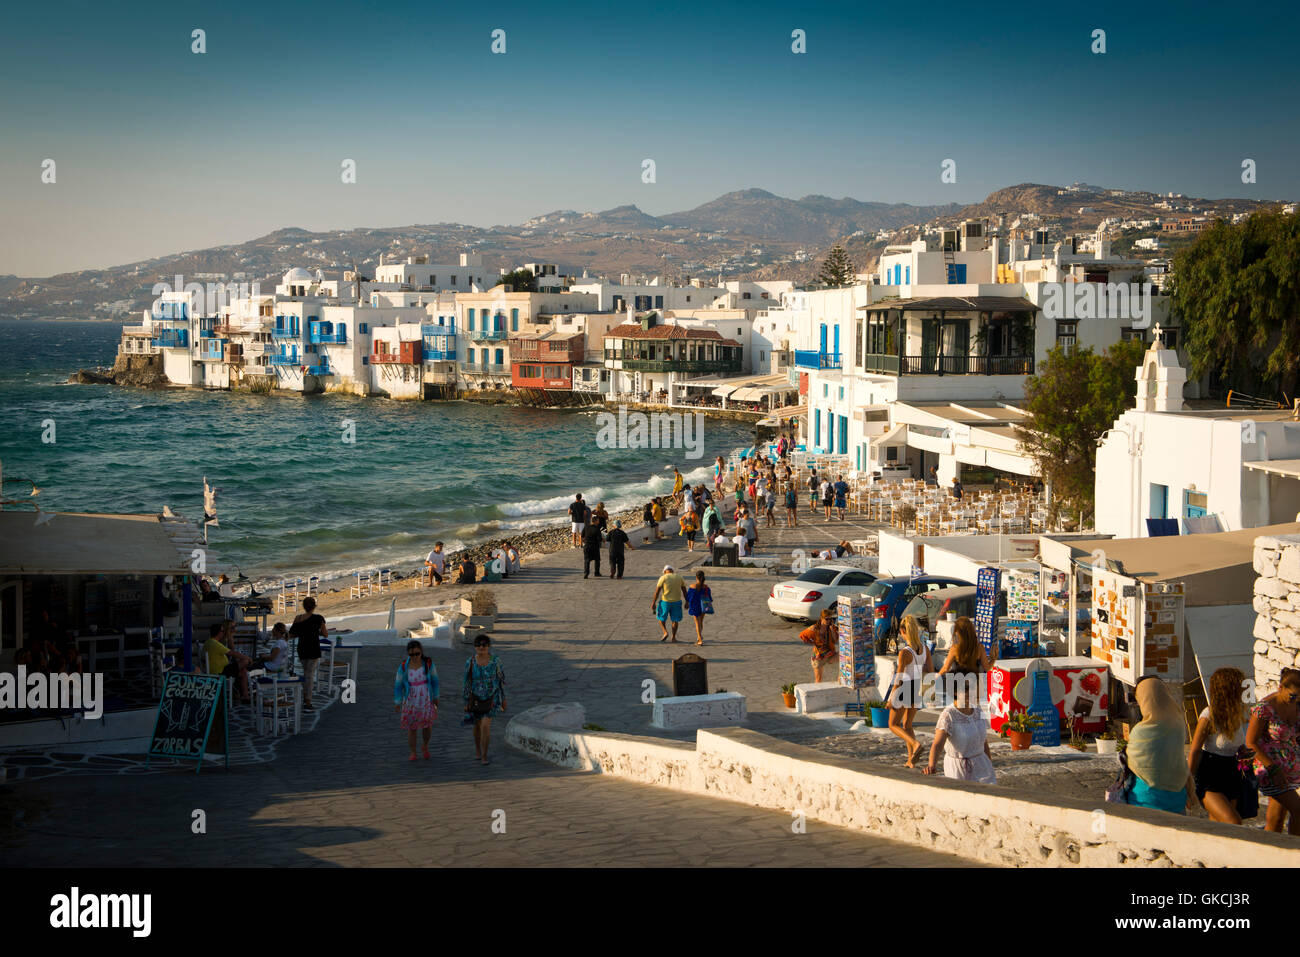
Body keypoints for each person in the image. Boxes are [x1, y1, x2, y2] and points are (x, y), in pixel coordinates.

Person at [1189, 666, 1253, 825]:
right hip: (1210, 775)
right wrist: (1188, 784)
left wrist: (1244, 752)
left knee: (1219, 826)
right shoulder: (1208, 715)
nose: (1244, 689)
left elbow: (1234, 745)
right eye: (1240, 686)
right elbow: (1195, 751)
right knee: (1233, 822)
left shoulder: (1236, 714)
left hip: (1231, 773)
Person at [1126, 676, 1194, 815]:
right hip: (1176, 797)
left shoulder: (1140, 731)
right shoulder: (1178, 724)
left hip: (1144, 799)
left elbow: (1132, 762)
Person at [1246, 667, 1300, 834]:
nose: (1296, 699)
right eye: (1293, 695)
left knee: (1276, 819)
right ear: (1281, 687)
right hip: (1270, 770)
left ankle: (1269, 846)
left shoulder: (1297, 705)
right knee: (1298, 810)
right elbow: (1250, 743)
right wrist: (1273, 769)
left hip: (1290, 769)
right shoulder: (1264, 708)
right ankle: (1294, 847)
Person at [923, 671, 995, 783]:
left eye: (973, 687)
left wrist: (989, 764)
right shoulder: (949, 715)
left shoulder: (977, 710)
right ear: (955, 691)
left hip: (982, 767)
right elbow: (937, 745)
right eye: (965, 689)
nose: (971, 692)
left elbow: (983, 742)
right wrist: (931, 765)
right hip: (958, 769)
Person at [887, 616, 933, 767]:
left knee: (893, 724)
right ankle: (910, 760)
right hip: (917, 686)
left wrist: (891, 697)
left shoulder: (905, 652)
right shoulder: (925, 649)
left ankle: (915, 744)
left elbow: (899, 676)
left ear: (902, 631)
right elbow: (931, 671)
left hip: (905, 687)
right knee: (907, 724)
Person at [463, 634, 507, 765]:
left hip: (492, 698)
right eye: (478, 645)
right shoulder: (470, 662)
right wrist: (466, 701)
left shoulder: (496, 661)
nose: (481, 647)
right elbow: (467, 682)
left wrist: (503, 699)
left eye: (484, 644)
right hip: (475, 699)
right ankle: (478, 750)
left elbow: (501, 680)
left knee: (485, 726)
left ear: (489, 646)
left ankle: (484, 755)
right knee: (477, 726)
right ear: (475, 647)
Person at [394, 640, 439, 761]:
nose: (414, 657)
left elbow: (435, 681)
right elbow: (398, 684)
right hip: (410, 700)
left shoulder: (428, 663)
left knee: (427, 726)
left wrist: (436, 696)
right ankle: (413, 752)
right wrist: (397, 701)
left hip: (425, 699)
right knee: (412, 727)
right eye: (411, 654)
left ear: (421, 651)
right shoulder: (404, 666)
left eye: (417, 654)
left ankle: (425, 745)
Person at [289, 596, 327, 711]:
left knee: (306, 672)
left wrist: (303, 632)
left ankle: (305, 696)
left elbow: (292, 634)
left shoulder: (298, 618)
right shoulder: (318, 618)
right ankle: (308, 700)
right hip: (313, 648)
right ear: (314, 606)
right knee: (309, 674)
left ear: (304, 607)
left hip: (302, 648)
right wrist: (316, 632)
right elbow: (325, 634)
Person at [937, 616, 995, 682]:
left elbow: (945, 668)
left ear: (958, 632)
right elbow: (987, 669)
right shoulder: (979, 647)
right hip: (975, 682)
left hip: (959, 682)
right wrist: (993, 659)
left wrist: (935, 678)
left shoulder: (955, 648)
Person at [205, 622, 250, 704]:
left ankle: (244, 695)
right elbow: (232, 653)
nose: (223, 633)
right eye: (222, 631)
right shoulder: (215, 643)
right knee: (245, 662)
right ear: (219, 632)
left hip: (221, 669)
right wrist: (248, 658)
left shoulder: (209, 642)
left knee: (243, 671)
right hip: (220, 671)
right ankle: (241, 694)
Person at [800, 608, 838, 683]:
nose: (829, 621)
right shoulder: (814, 628)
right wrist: (812, 642)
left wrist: (832, 630)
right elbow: (802, 635)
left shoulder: (831, 627)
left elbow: (835, 640)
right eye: (827, 619)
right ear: (821, 618)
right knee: (818, 679)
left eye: (830, 619)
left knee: (844, 657)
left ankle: (841, 679)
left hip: (830, 654)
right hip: (818, 657)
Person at [652, 564, 687, 642]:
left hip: (665, 602)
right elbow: (684, 591)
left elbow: (657, 592)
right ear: (672, 571)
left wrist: (653, 603)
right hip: (677, 602)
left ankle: (665, 632)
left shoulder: (663, 577)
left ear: (665, 571)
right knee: (675, 620)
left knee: (661, 618)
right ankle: (673, 637)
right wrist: (687, 601)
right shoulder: (679, 577)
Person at [685, 569, 714, 646]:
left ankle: (700, 639)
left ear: (696, 577)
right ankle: (699, 636)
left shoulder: (693, 586)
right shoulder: (706, 587)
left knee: (697, 622)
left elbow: (689, 597)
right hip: (703, 606)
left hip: (695, 605)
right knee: (700, 621)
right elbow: (710, 598)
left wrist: (687, 603)